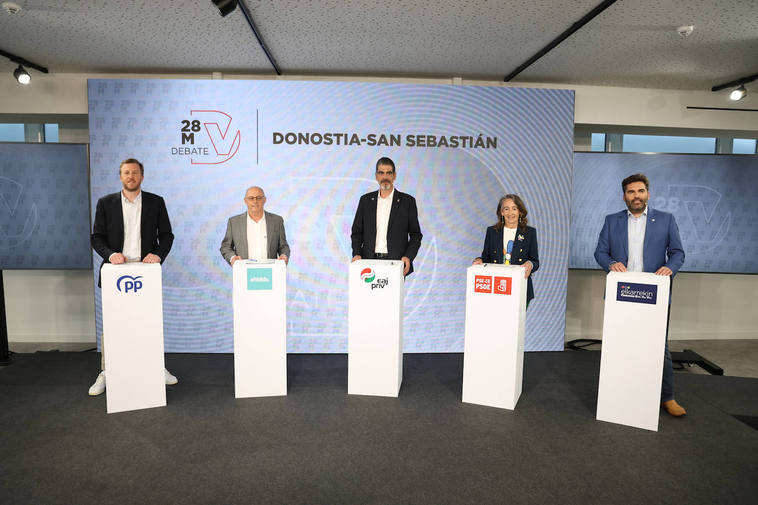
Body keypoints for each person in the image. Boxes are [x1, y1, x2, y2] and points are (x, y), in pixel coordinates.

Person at [594, 173, 686, 417]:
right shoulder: (611, 220)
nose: (636, 196)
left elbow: (677, 253)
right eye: (631, 192)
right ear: (624, 196)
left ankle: (667, 397)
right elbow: (600, 252)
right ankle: (619, 392)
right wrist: (611, 263)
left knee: (658, 346)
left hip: (653, 294)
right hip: (621, 294)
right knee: (620, 344)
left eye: (641, 191)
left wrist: (670, 268)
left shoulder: (666, 220)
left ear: (648, 193)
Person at [89, 158, 177, 396]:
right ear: (120, 176)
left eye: (135, 173)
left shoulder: (155, 202)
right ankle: (107, 372)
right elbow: (96, 237)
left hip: (145, 271)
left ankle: (156, 367)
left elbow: (167, 236)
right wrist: (110, 255)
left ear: (142, 176)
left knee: (149, 322)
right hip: (116, 273)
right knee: (113, 324)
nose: (131, 176)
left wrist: (157, 255)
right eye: (126, 173)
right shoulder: (106, 203)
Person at [351, 157, 422, 276]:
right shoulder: (365, 201)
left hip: (395, 265)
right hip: (368, 265)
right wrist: (357, 253)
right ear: (376, 176)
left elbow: (416, 235)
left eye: (389, 173)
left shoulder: (407, 202)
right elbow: (357, 232)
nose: (385, 177)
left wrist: (408, 257)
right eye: (381, 173)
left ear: (394, 176)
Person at [473, 194, 539, 305]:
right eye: (506, 209)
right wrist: (479, 260)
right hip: (496, 289)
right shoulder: (492, 232)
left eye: (514, 208)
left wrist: (530, 264)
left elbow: (535, 261)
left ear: (520, 212)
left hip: (520, 289)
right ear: (501, 213)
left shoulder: (529, 233)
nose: (510, 213)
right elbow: (486, 257)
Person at [220, 186, 290, 266]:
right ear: (245, 201)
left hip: (270, 272)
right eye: (251, 198)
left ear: (264, 200)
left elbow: (283, 246)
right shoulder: (234, 222)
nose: (255, 201)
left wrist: (284, 255)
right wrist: (232, 258)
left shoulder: (277, 221)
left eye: (259, 198)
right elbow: (225, 247)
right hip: (244, 271)